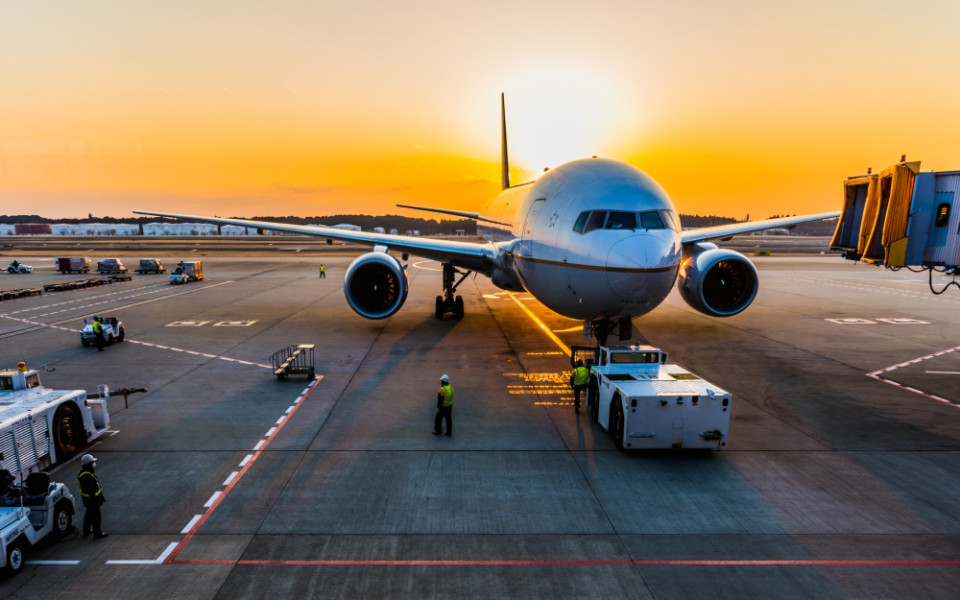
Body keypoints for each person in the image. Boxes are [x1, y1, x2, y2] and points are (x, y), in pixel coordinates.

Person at [77, 454, 108, 539]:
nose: (94, 464)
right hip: (92, 500)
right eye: (92, 462)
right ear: (88, 464)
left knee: (89, 515)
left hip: (87, 500)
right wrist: (97, 500)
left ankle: (86, 530)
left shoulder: (84, 473)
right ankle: (97, 533)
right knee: (96, 517)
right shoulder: (87, 476)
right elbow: (91, 491)